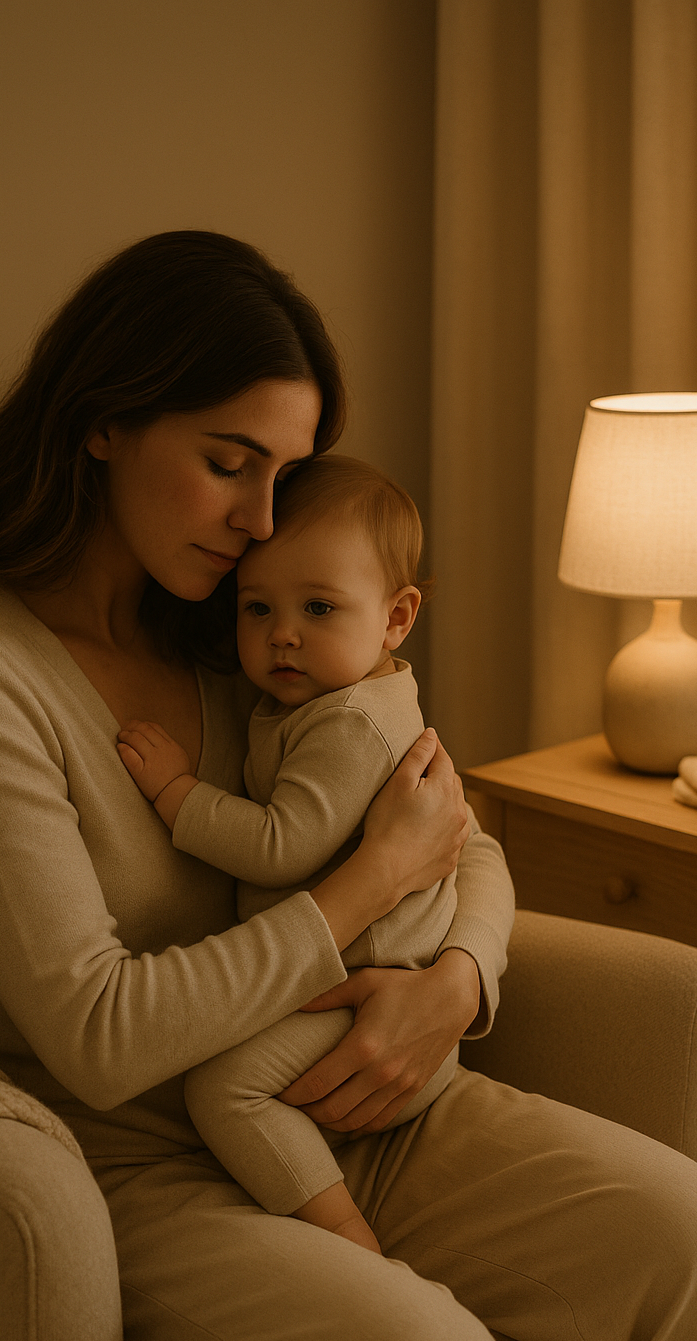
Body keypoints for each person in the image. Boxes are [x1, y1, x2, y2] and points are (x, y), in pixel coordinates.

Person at [0, 229, 697, 1341]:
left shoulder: (252, 634)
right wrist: (356, 902)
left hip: (366, 1101)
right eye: (229, 464)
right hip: (138, 1172)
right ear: (107, 424)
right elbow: (98, 1032)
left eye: (284, 474)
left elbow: (453, 834)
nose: (260, 519)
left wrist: (456, 982)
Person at [117, 453, 464, 1256]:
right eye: (257, 608)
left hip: (375, 1005)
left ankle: (343, 1231)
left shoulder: (347, 723)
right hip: (355, 993)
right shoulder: (320, 693)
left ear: (396, 617)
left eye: (317, 607)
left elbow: (281, 845)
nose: (282, 636)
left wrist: (176, 793)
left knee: (224, 1090)